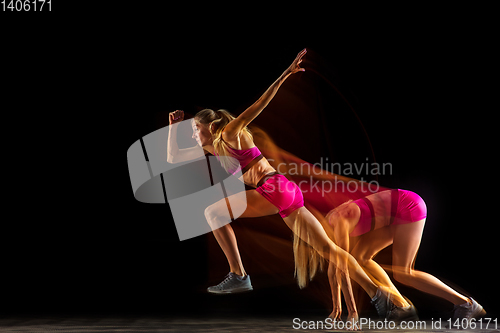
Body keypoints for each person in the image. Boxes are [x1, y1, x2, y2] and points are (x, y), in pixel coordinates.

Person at [166, 49, 403, 322]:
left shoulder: (231, 133)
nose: (193, 133)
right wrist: (173, 127)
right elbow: (173, 158)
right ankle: (378, 294)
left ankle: (239, 275)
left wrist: (285, 74)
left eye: (196, 128)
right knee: (328, 250)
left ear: (212, 125)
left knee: (212, 213)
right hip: (282, 192)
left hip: (273, 188)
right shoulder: (212, 147)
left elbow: (259, 105)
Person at [324, 189, 486, 322]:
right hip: (393, 215)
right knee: (360, 257)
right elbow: (334, 269)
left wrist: (352, 312)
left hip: (409, 206)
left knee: (404, 273)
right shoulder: (334, 219)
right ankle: (400, 305)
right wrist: (336, 306)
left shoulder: (340, 220)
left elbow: (342, 267)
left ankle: (466, 303)